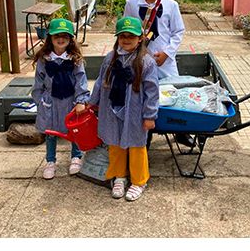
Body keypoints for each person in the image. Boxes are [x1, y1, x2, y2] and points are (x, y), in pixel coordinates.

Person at [88, 17, 159, 201]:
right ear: (117, 38)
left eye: (131, 36)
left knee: (136, 145)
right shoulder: (111, 58)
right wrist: (93, 101)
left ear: (141, 38)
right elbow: (100, 81)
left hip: (134, 111)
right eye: (122, 36)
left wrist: (149, 115)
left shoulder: (146, 62)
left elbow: (152, 91)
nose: (126, 40)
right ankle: (119, 176)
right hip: (112, 108)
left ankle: (139, 180)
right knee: (115, 143)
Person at [30, 18, 89, 180]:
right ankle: (50, 161)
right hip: (50, 101)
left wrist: (81, 100)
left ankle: (76, 157)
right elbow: (38, 83)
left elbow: (81, 80)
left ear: (70, 39)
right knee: (51, 132)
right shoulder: (44, 59)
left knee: (74, 129)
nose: (61, 39)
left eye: (65, 36)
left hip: (70, 100)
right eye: (57, 35)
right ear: (50, 37)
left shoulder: (75, 59)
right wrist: (40, 100)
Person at [124, 0, 185, 79]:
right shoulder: (131, 4)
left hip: (164, 61)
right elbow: (127, 32)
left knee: (169, 90)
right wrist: (136, 51)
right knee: (140, 90)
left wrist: (166, 53)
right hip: (139, 59)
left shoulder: (171, 5)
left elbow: (178, 32)